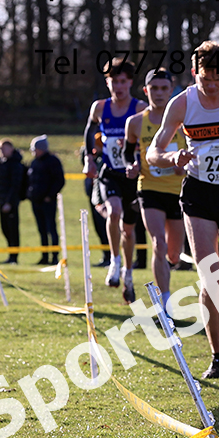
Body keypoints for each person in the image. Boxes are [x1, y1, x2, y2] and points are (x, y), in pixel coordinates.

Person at [147, 41, 219, 379]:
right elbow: (154, 150)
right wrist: (171, 158)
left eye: (217, 78)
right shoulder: (182, 103)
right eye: (205, 79)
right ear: (195, 72)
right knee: (207, 275)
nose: (211, 86)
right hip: (198, 193)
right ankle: (218, 355)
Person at [83, 58, 148, 302]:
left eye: (123, 81)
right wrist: (89, 159)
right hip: (109, 173)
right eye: (114, 82)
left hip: (132, 176)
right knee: (114, 212)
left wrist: (137, 159)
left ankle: (128, 275)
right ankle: (114, 260)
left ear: (130, 82)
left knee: (129, 232)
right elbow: (90, 133)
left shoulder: (141, 108)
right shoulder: (99, 107)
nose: (118, 86)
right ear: (107, 82)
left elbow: (149, 138)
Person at [124, 68, 186, 309]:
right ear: (146, 90)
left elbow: (193, 153)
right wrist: (132, 166)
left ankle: (167, 284)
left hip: (177, 191)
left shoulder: (182, 123)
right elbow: (129, 153)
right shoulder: (136, 122)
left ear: (171, 91)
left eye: (164, 89)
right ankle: (165, 302)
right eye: (154, 89)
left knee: (174, 254)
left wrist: (183, 166)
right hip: (149, 188)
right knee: (158, 243)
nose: (159, 94)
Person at [27, 135, 65, 265]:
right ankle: (44, 256)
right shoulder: (34, 162)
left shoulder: (53, 161)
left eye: (35, 149)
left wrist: (50, 196)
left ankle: (54, 257)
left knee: (51, 229)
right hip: (36, 201)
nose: (33, 152)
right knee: (41, 230)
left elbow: (59, 180)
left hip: (48, 202)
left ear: (41, 149)